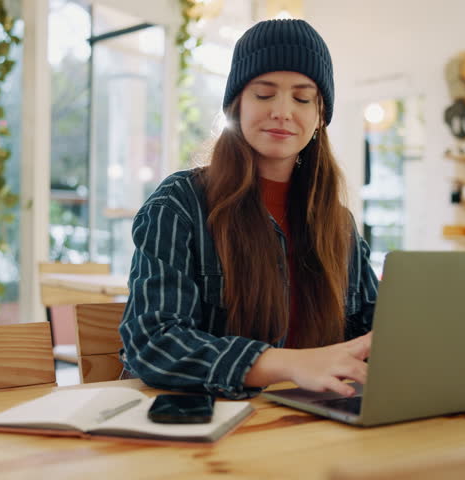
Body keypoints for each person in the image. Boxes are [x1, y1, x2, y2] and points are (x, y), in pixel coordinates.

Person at [120, 19, 379, 400]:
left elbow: (370, 333)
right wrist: (291, 364)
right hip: (208, 431)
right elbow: (155, 344)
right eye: (263, 94)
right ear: (236, 105)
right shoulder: (180, 203)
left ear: (320, 115)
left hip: (311, 424)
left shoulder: (337, 223)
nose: (283, 111)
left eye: (303, 98)